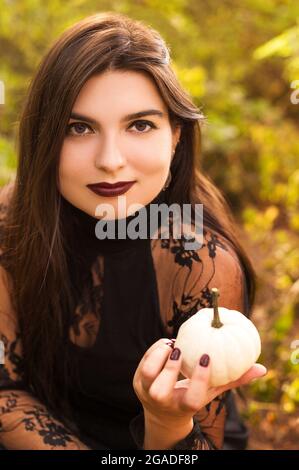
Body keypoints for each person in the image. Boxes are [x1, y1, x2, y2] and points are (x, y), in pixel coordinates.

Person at [0, 12, 266, 450]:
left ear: (175, 134)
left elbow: (201, 445)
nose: (110, 160)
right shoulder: (15, 220)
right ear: (45, 137)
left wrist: (165, 423)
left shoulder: (200, 264)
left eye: (139, 125)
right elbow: (7, 391)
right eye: (78, 128)